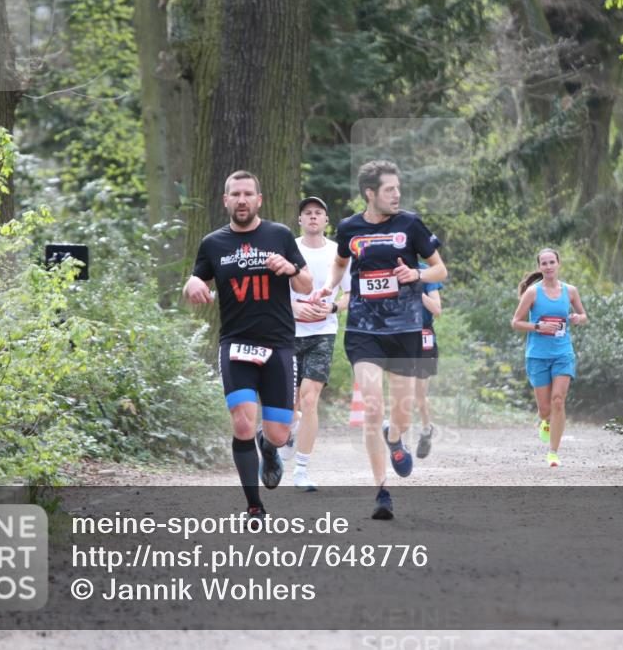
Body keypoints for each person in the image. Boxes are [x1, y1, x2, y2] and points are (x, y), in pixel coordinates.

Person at [311, 160, 447, 520]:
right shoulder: (349, 228)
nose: (397, 194)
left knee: (400, 413)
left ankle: (395, 437)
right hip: (364, 330)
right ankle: (381, 491)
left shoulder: (411, 224)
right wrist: (327, 287)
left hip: (405, 331)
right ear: (370, 193)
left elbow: (440, 269)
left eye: (398, 188)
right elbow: (341, 264)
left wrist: (414, 272)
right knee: (372, 407)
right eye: (390, 190)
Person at [182, 170, 312, 526]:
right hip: (236, 343)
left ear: (258, 200)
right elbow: (197, 277)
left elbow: (305, 284)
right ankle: (254, 506)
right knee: (241, 423)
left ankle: (268, 446)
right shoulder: (213, 243)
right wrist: (191, 283)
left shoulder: (279, 235)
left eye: (247, 194)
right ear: (226, 201)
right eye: (235, 194)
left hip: (278, 345)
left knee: (279, 433)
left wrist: (288, 268)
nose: (241, 200)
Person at [283, 196, 351, 492]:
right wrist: (294, 308)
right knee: (289, 405)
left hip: (323, 332)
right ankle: (284, 434)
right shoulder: (288, 250)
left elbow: (350, 295)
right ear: (299, 220)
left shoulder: (339, 253)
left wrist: (332, 308)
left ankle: (301, 470)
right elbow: (272, 293)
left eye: (318, 213)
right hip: (287, 331)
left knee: (310, 400)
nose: (312, 217)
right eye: (307, 213)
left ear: (326, 221)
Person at [510, 248, 587, 467]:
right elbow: (515, 322)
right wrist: (537, 326)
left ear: (558, 264)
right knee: (545, 410)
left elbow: (583, 315)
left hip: (563, 353)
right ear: (540, 267)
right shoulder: (533, 293)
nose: (549, 266)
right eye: (544, 263)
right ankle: (545, 421)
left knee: (558, 401)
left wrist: (577, 318)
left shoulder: (570, 291)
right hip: (537, 355)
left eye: (552, 262)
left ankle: (553, 452)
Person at [412, 261, 442, 458]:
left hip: (423, 334)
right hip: (397, 333)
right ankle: (397, 435)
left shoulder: (426, 271)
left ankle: (425, 428)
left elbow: (437, 309)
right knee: (400, 388)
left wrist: (416, 291)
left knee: (419, 392)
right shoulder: (387, 266)